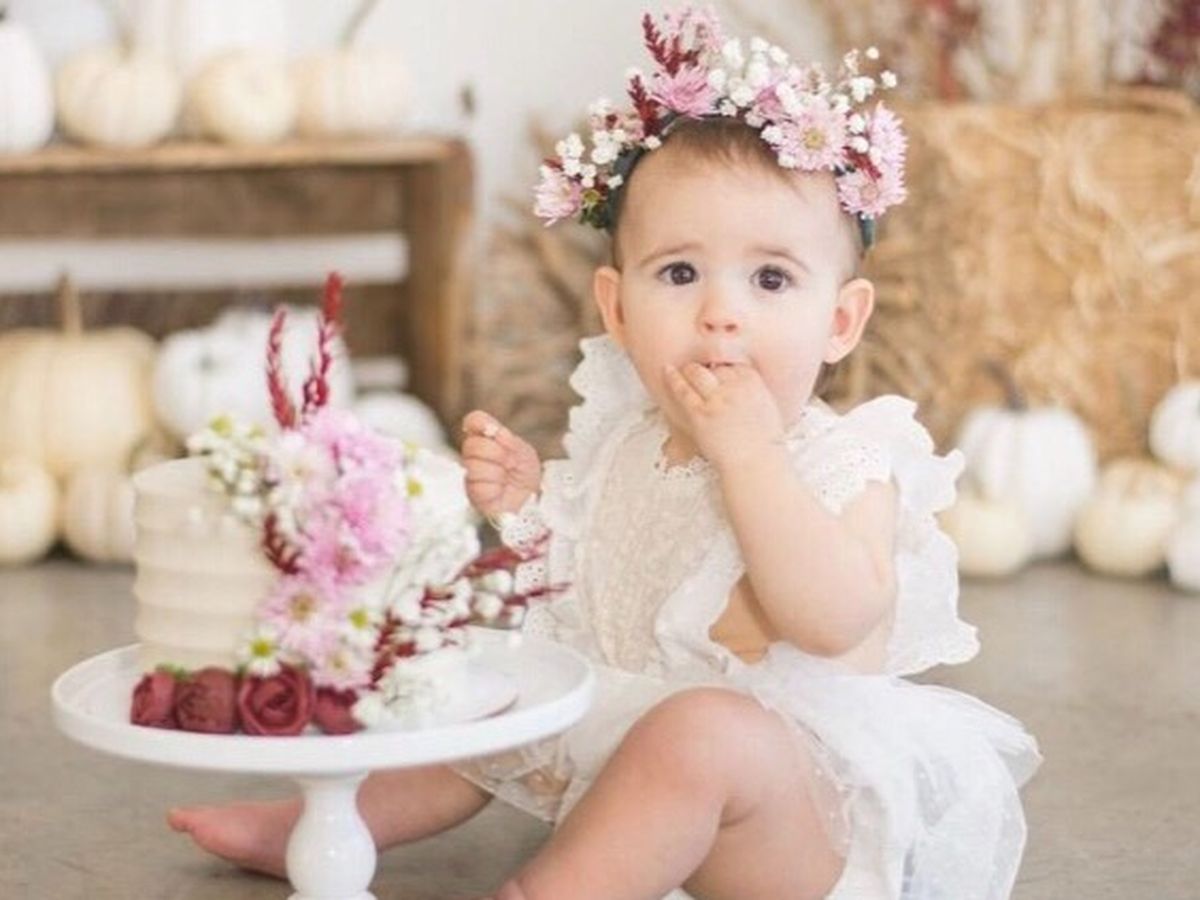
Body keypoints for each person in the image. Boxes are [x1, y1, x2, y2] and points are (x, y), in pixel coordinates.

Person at [169, 8, 1040, 899]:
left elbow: (834, 618)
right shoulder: (627, 442)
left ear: (841, 322)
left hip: (789, 818)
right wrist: (527, 507)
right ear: (618, 310)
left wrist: (752, 459)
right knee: (498, 680)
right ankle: (326, 826)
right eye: (680, 273)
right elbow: (594, 585)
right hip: (636, 755)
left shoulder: (846, 463)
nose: (721, 313)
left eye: (771, 278)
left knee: (703, 731)